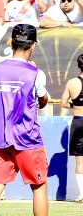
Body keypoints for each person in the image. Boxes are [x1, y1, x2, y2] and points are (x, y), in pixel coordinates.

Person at [0, 24, 49, 216]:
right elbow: (42, 101)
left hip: (0, 139)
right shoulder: (35, 73)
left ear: (11, 43)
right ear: (32, 46)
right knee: (39, 186)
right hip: (27, 139)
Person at [60, 53, 83, 202]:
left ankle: (82, 194)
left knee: (80, 162)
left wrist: (75, 106)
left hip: (78, 121)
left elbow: (63, 103)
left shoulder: (72, 83)